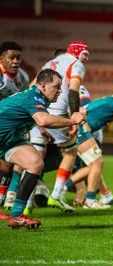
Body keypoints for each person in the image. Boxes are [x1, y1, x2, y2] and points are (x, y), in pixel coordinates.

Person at [0, 69, 85, 228]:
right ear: (44, 85)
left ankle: (17, 216)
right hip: (5, 138)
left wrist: (41, 128)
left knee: (35, 164)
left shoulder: (37, 96)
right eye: (56, 86)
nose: (60, 91)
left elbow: (33, 116)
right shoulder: (34, 96)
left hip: (8, 140)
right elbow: (43, 119)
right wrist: (73, 120)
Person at [29, 41, 89, 213]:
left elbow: (32, 86)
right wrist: (75, 115)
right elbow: (73, 91)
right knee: (70, 152)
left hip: (38, 112)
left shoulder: (49, 63)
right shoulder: (76, 63)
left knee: (35, 160)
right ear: (77, 52)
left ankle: (25, 205)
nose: (87, 59)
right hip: (58, 113)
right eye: (85, 54)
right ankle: (56, 196)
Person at [63, 85, 113, 208]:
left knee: (92, 166)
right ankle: (89, 200)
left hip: (81, 129)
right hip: (81, 130)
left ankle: (61, 188)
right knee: (97, 163)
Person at [0, 41, 30, 215]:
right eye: (11, 57)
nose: (16, 61)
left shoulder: (22, 78)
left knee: (6, 165)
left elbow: (24, 103)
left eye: (18, 57)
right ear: (2, 59)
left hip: (9, 128)